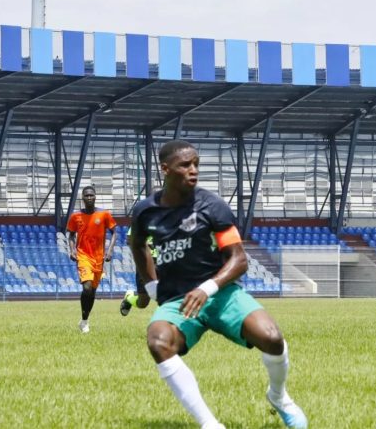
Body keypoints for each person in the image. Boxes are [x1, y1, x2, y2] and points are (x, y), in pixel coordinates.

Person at [129, 140, 307, 429]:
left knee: (272, 337)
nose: (194, 170)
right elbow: (137, 245)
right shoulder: (145, 211)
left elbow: (239, 260)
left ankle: (279, 397)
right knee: (158, 341)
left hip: (220, 292)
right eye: (185, 165)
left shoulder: (212, 205)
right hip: (178, 300)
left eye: (196, 163)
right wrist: (151, 287)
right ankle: (209, 424)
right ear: (165, 169)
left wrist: (206, 288)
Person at [67, 186, 118, 333]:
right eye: (86, 196)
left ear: (95, 197)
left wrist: (109, 251)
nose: (89, 198)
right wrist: (72, 250)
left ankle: (84, 320)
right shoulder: (75, 216)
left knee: (92, 292)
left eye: (91, 195)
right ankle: (84, 322)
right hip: (83, 256)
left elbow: (114, 232)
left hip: (99, 258)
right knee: (87, 287)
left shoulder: (104, 214)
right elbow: (71, 235)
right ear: (82, 199)